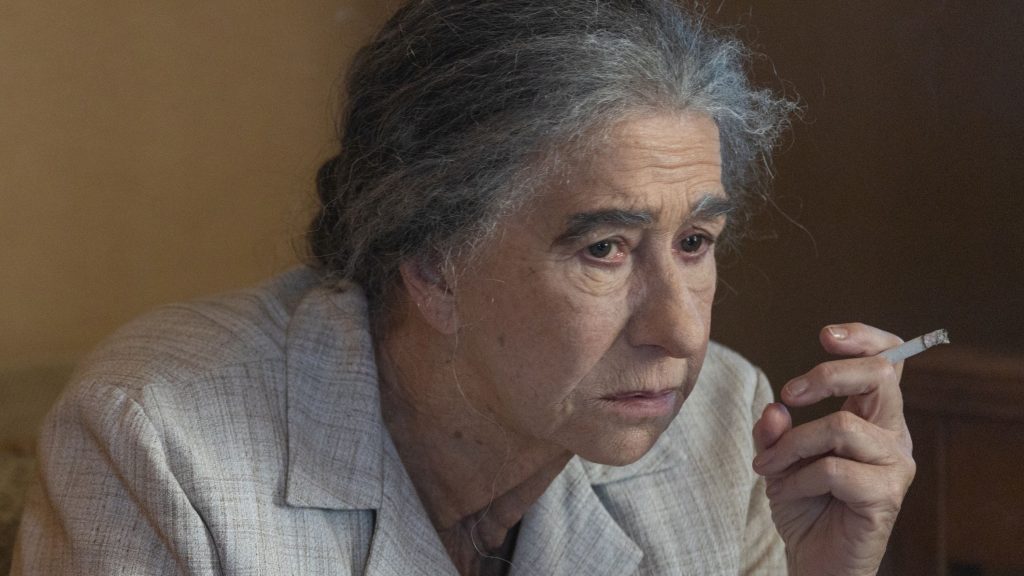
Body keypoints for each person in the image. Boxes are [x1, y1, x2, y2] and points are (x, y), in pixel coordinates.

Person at [12, 1, 915, 574]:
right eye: (605, 249)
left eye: (694, 242)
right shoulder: (157, 447)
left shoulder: (722, 425)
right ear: (433, 262)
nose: (681, 334)